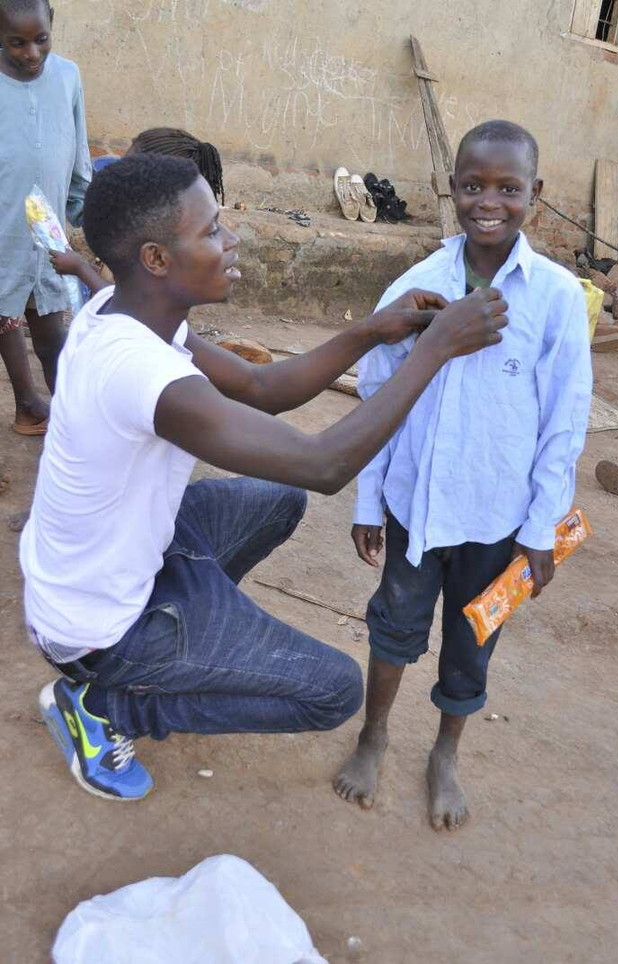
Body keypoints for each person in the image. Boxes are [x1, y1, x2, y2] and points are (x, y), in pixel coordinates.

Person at [20, 153, 507, 802]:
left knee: (277, 499)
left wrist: (371, 330)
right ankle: (107, 705)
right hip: (93, 625)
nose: (232, 239)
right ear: (157, 259)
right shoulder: (145, 375)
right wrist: (437, 348)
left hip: (109, 565)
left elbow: (260, 387)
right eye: (211, 230)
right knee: (333, 691)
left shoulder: (127, 311)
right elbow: (325, 465)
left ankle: (185, 643)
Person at [333, 120, 593, 830]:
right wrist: (368, 500)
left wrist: (540, 528)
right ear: (451, 188)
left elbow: (564, 421)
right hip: (415, 507)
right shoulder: (416, 287)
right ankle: (374, 736)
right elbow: (376, 397)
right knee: (393, 627)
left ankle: (445, 753)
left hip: (499, 518)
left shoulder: (556, 297)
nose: (490, 202)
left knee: (474, 641)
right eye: (473, 185)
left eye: (509, 188)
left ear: (536, 194)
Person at [0, 0, 91, 434]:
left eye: (41, 40)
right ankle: (28, 405)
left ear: (52, 26)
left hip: (47, 227)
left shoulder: (68, 76)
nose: (31, 53)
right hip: (3, 226)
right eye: (17, 43)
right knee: (4, 316)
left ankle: (69, 416)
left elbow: (79, 149)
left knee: (52, 327)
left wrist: (85, 208)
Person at [49, 127, 226, 297]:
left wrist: (81, 269)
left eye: (127, 166)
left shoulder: (157, 244)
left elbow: (127, 300)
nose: (118, 171)